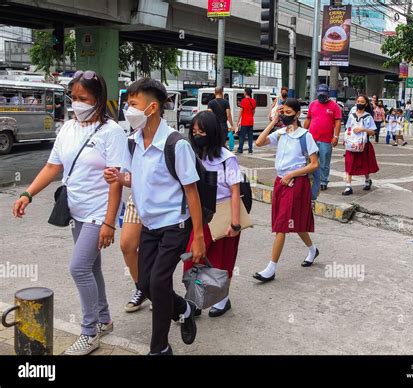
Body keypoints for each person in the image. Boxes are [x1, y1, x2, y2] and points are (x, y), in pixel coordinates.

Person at [12, 70, 126, 355]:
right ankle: (104, 319)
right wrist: (28, 194)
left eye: (82, 98)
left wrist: (109, 223)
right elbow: (53, 167)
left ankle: (89, 333)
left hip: (99, 212)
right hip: (76, 209)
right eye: (73, 97)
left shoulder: (112, 132)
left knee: (78, 267)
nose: (76, 103)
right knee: (91, 267)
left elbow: (116, 181)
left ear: (98, 100)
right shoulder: (67, 128)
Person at [104, 78, 205, 356]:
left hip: (175, 225)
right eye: (127, 104)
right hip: (149, 225)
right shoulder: (134, 142)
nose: (127, 109)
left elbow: (192, 193)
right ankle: (183, 308)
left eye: (133, 104)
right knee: (145, 283)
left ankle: (159, 348)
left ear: (152, 108)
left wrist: (198, 237)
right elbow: (136, 180)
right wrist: (120, 177)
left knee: (159, 282)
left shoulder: (176, 144)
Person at [253, 98, 320, 282]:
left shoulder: (305, 136)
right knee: (293, 222)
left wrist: (292, 174)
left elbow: (314, 164)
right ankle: (313, 250)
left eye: (289, 113)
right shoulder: (281, 133)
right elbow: (259, 142)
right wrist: (274, 121)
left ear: (298, 114)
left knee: (282, 224)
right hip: (280, 182)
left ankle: (271, 268)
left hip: (296, 184)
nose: (285, 116)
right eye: (284, 113)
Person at [184, 111, 242, 317]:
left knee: (221, 261)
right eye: (194, 131)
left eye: (202, 131)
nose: (198, 135)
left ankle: (222, 299)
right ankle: (195, 299)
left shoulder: (228, 159)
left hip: (224, 215)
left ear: (213, 133)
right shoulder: (192, 156)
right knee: (193, 258)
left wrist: (235, 224)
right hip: (201, 216)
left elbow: (236, 191)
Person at [304, 84, 341, 192]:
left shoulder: (334, 106)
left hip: (326, 140)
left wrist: (336, 137)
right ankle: (309, 180)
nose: (321, 97)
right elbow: (308, 119)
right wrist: (302, 132)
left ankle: (323, 181)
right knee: (310, 160)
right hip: (312, 139)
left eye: (323, 95)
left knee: (324, 163)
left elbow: (338, 122)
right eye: (320, 95)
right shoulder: (313, 104)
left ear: (328, 94)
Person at [342, 95, 379, 196]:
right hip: (351, 144)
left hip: (363, 144)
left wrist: (363, 129)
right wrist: (345, 139)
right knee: (349, 163)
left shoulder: (368, 117)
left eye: (362, 102)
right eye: (358, 101)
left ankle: (367, 179)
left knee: (364, 164)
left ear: (366, 104)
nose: (359, 103)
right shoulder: (352, 115)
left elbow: (373, 132)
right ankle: (348, 186)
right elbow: (347, 128)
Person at [236, 87, 256, 154]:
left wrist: (238, 121)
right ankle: (250, 150)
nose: (243, 93)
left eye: (244, 92)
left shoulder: (243, 101)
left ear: (246, 93)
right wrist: (251, 116)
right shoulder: (253, 101)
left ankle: (240, 149)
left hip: (244, 121)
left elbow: (241, 111)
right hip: (251, 121)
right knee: (250, 136)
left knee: (242, 136)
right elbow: (253, 111)